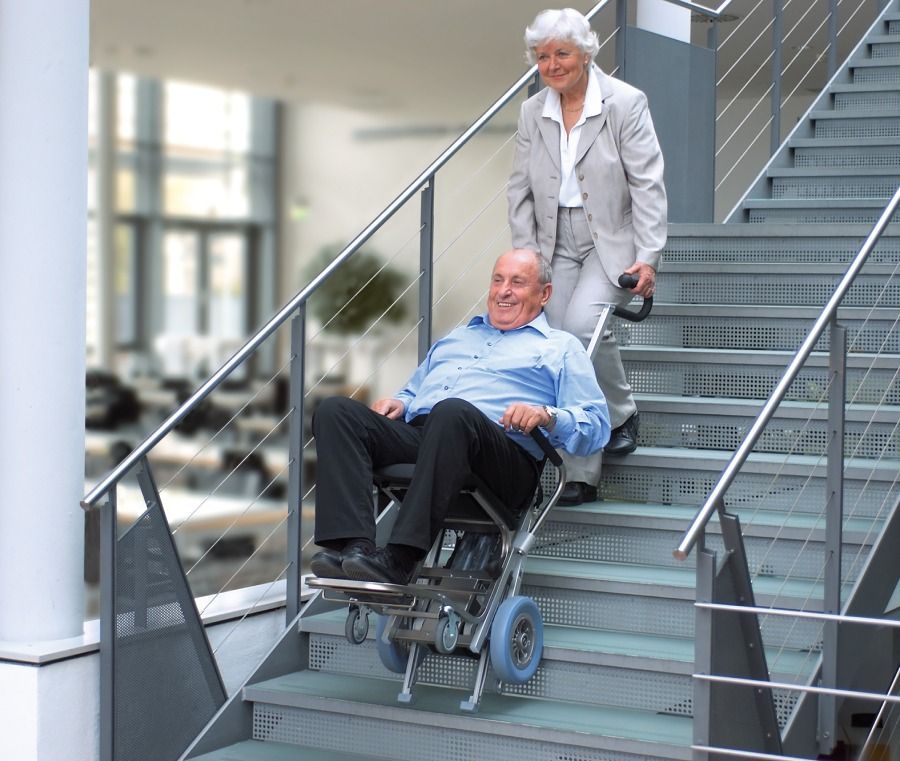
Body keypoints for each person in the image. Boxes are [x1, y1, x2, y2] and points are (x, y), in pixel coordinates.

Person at [309, 248, 610, 585]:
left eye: (517, 282)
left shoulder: (561, 347)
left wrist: (547, 415)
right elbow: (415, 390)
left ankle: (401, 558)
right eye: (498, 280)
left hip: (502, 456)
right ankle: (353, 549)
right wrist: (402, 404)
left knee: (453, 412)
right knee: (336, 411)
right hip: (433, 436)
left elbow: (597, 426)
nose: (503, 291)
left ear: (545, 294)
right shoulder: (457, 337)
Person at [508, 8, 667, 505]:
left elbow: (647, 183)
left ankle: (615, 418)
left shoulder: (624, 102)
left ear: (586, 53)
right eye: (542, 57)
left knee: (580, 329)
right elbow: (519, 191)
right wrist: (526, 258)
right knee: (556, 341)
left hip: (610, 239)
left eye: (562, 53)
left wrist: (648, 256)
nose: (552, 65)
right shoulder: (533, 111)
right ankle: (582, 469)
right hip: (551, 238)